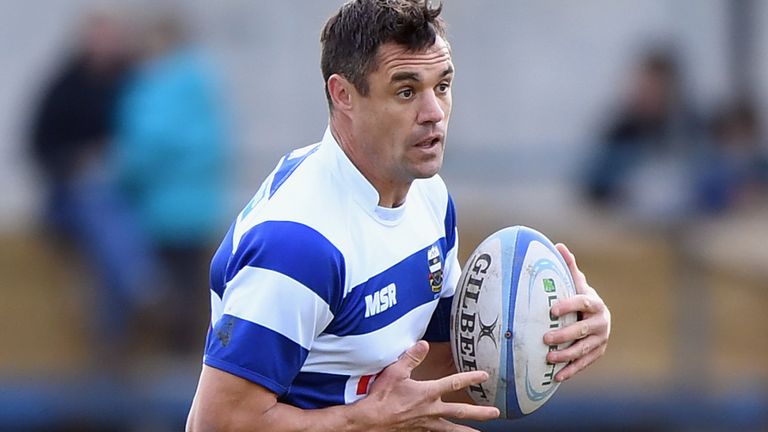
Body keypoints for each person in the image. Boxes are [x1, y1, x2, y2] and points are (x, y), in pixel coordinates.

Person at [187, 1, 611, 430]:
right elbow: (216, 423)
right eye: (406, 92)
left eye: (442, 86)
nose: (434, 114)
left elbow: (442, 376)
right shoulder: (300, 244)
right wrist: (366, 423)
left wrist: (559, 335)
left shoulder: (430, 198)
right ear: (343, 95)